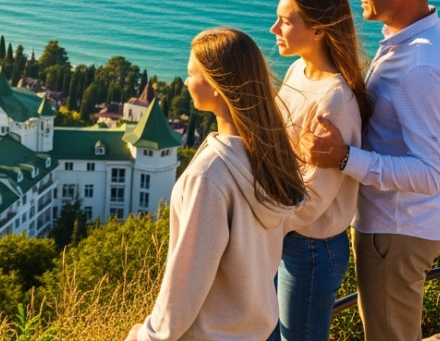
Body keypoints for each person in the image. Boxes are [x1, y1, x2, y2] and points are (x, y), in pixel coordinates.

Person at [305, 0, 440, 341]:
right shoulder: (421, 38)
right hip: (399, 228)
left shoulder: (421, 65)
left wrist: (344, 159)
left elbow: (430, 173)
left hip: (395, 232)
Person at [126, 28, 306, 341]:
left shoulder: (210, 175)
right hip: (254, 331)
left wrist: (147, 337)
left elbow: (187, 281)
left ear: (216, 85)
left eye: (191, 73)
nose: (185, 81)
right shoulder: (270, 157)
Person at [268, 0, 372, 341]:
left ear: (318, 31)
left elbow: (314, 198)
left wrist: (261, 220)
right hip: (287, 232)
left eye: (286, 20)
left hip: (310, 245)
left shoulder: (334, 100)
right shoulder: (299, 69)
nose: (274, 28)